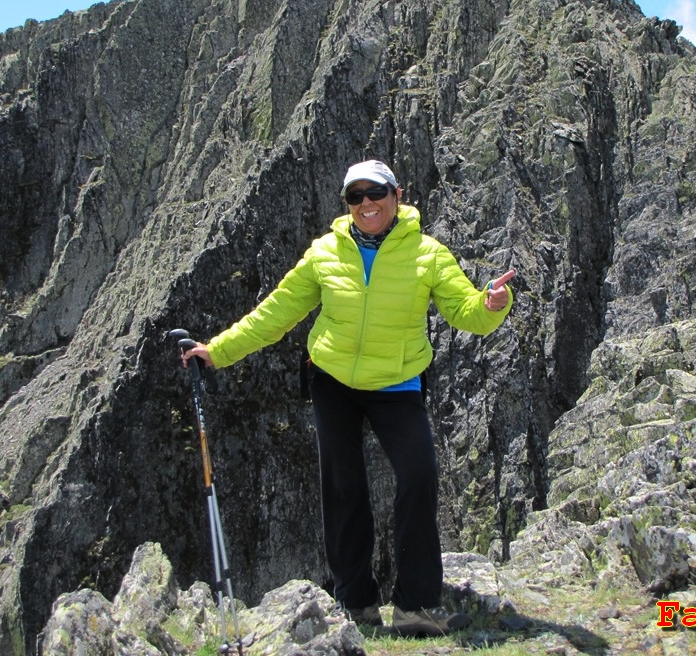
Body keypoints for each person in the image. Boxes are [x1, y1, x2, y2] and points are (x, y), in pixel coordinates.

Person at [180, 159, 515, 635]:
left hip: (397, 384)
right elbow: (275, 313)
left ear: (397, 195)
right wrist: (217, 351)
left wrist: (492, 304)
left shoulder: (428, 254)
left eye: (374, 192)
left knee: (419, 476)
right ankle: (356, 603)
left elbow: (466, 310)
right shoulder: (324, 253)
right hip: (332, 380)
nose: (366, 204)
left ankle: (416, 606)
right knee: (344, 488)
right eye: (354, 196)